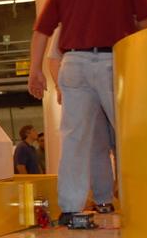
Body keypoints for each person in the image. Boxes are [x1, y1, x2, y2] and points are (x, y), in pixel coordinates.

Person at [28, 0, 147, 224]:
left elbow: (42, 31)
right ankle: (134, 204)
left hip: (73, 62)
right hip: (112, 60)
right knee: (126, 136)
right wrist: (131, 34)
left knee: (74, 138)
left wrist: (34, 71)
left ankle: (71, 209)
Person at [47, 30, 116, 213]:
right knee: (106, 145)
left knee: (94, 146)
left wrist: (60, 87)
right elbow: (54, 58)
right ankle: (106, 200)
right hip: (110, 75)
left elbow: (53, 58)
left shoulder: (70, 20)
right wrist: (59, 87)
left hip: (82, 80)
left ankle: (102, 201)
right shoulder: (114, 10)